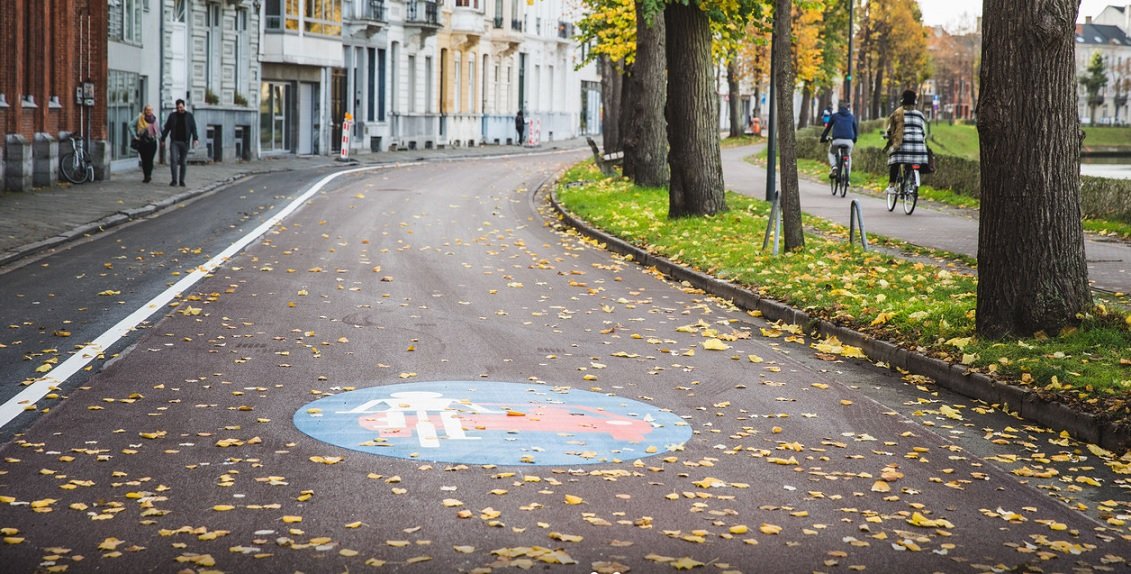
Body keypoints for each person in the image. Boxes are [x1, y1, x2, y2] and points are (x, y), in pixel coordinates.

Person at [882, 90, 929, 195]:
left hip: (902, 146)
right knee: (910, 159)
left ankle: (891, 186)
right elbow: (924, 132)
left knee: (895, 161)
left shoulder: (897, 113)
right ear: (914, 102)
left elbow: (890, 130)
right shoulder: (920, 115)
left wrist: (887, 135)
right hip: (919, 149)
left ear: (902, 100)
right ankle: (910, 181)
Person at [161, 99, 199, 187]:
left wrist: (195, 138)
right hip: (175, 141)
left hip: (185, 142)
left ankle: (182, 180)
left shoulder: (189, 116)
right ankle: (174, 180)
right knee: (174, 160)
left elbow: (193, 128)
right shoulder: (172, 116)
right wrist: (163, 139)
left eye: (181, 107)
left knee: (183, 161)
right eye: (178, 107)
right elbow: (167, 128)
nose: (179, 109)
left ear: (184, 106)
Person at [819, 102, 858, 179]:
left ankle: (834, 167)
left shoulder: (835, 116)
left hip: (837, 140)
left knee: (831, 153)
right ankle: (847, 177)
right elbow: (855, 131)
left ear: (839, 109)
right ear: (848, 109)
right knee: (848, 156)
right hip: (849, 141)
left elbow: (827, 129)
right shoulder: (852, 117)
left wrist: (823, 138)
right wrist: (854, 139)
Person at [133, 104, 160, 183]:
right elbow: (130, 125)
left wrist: (159, 136)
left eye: (150, 110)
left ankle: (149, 175)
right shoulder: (140, 118)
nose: (149, 112)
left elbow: (158, 130)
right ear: (144, 111)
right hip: (143, 142)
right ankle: (146, 175)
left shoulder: (154, 119)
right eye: (147, 110)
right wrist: (135, 135)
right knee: (144, 160)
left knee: (150, 159)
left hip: (152, 141)